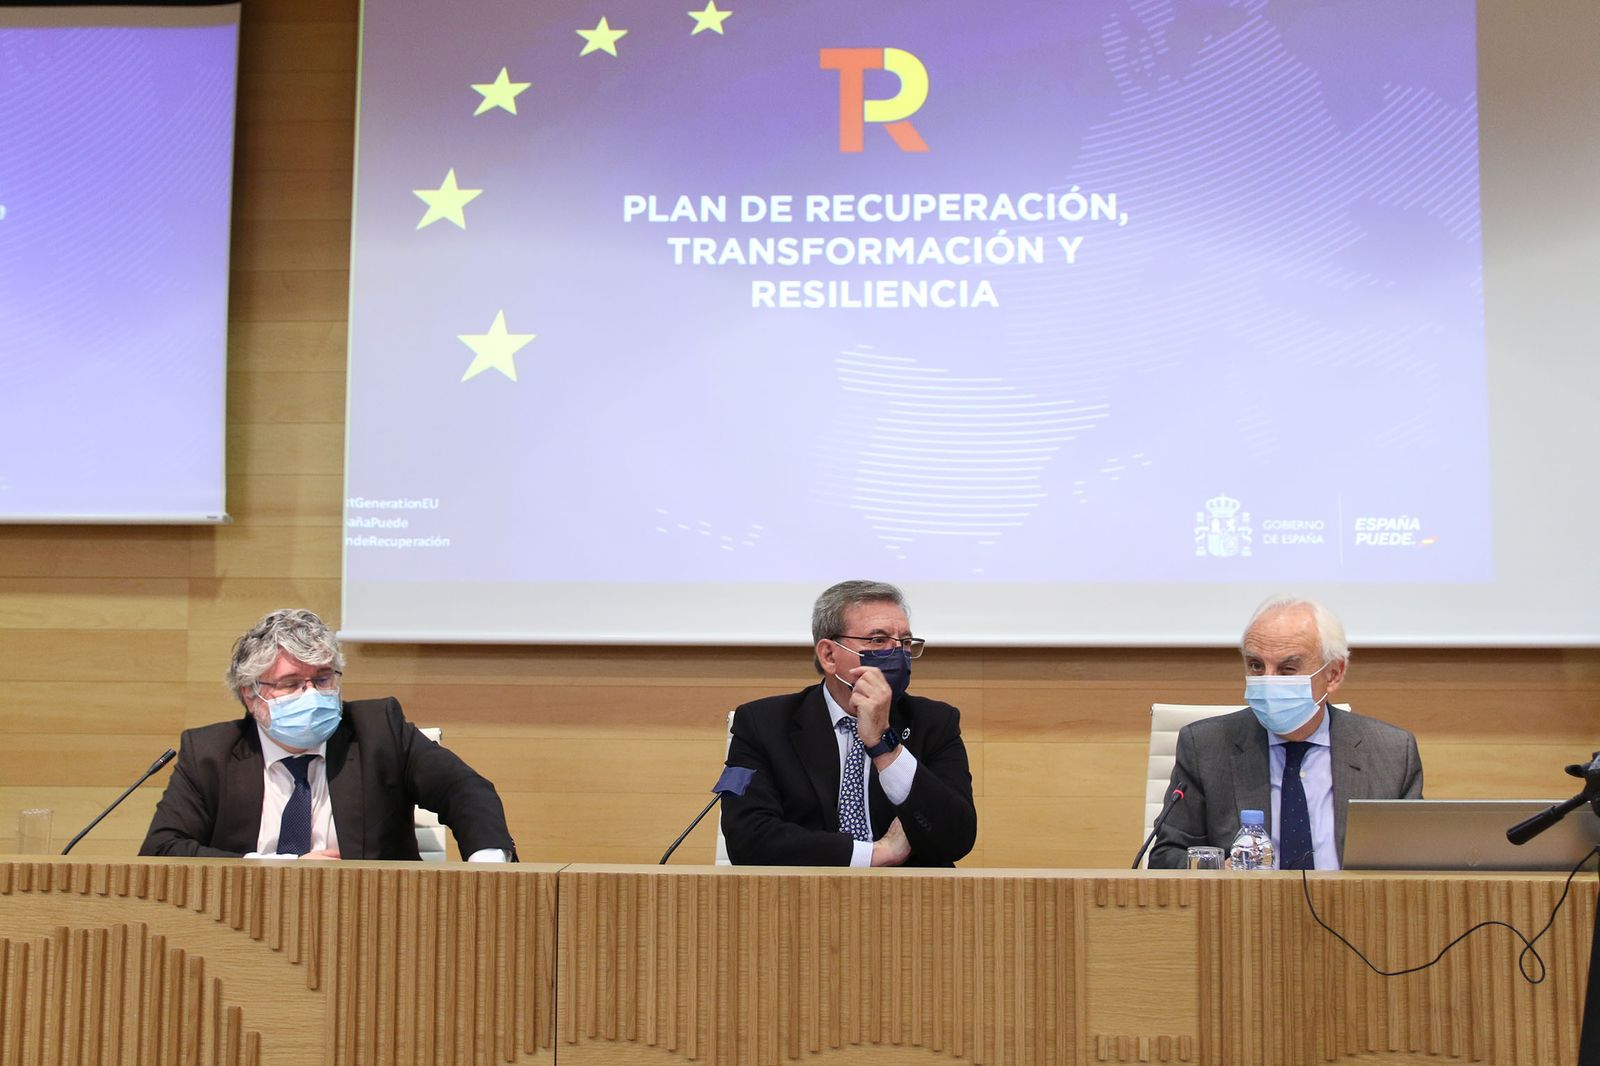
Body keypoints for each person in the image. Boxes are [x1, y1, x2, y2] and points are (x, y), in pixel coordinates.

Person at [140, 609, 516, 861]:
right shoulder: (209, 753)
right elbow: (163, 849)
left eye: (322, 679)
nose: (312, 694)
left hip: (374, 928)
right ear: (250, 694)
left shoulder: (378, 730)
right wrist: (271, 871)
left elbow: (465, 791)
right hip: (246, 928)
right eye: (290, 684)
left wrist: (487, 863)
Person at [1149, 596, 1423, 869]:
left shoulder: (1393, 753)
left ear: (1334, 674)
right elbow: (1165, 857)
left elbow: (1417, 863)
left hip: (1351, 910)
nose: (1268, 680)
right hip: (1245, 910)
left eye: (1287, 669)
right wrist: (1220, 870)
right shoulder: (1206, 748)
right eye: (1256, 666)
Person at [720, 580, 977, 867]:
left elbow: (956, 838)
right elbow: (747, 840)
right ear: (829, 655)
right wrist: (876, 855)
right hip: (803, 900)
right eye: (878, 641)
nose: (898, 654)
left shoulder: (935, 722)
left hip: (910, 903)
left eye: (905, 642)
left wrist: (885, 746)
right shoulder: (761, 724)